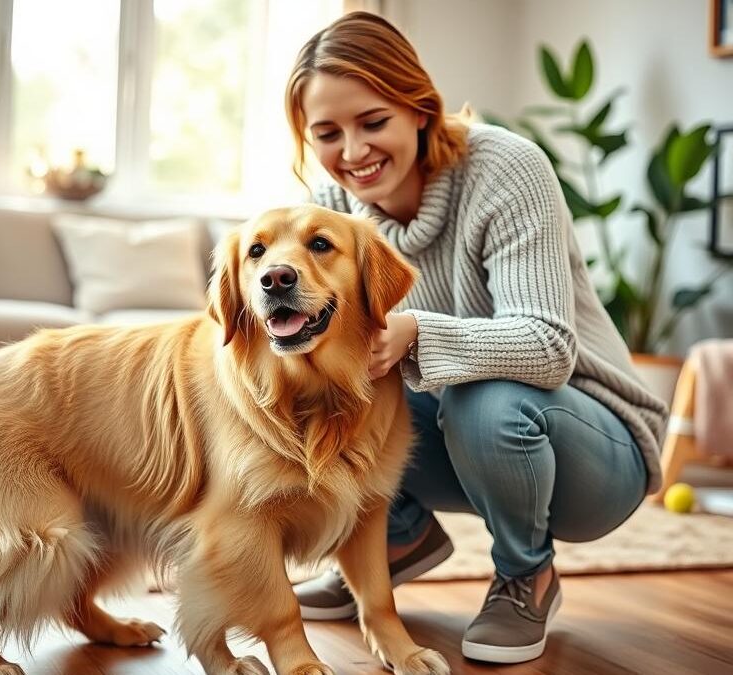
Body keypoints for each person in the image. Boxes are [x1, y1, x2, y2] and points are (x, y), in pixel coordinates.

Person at [284, 11, 669, 664]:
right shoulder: (336, 212)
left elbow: (548, 346)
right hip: (474, 445)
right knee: (326, 386)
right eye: (327, 133)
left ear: (418, 107)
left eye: (373, 121)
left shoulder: (504, 168)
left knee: (480, 391)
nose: (352, 152)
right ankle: (394, 540)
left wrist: (413, 332)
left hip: (597, 445)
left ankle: (528, 575)